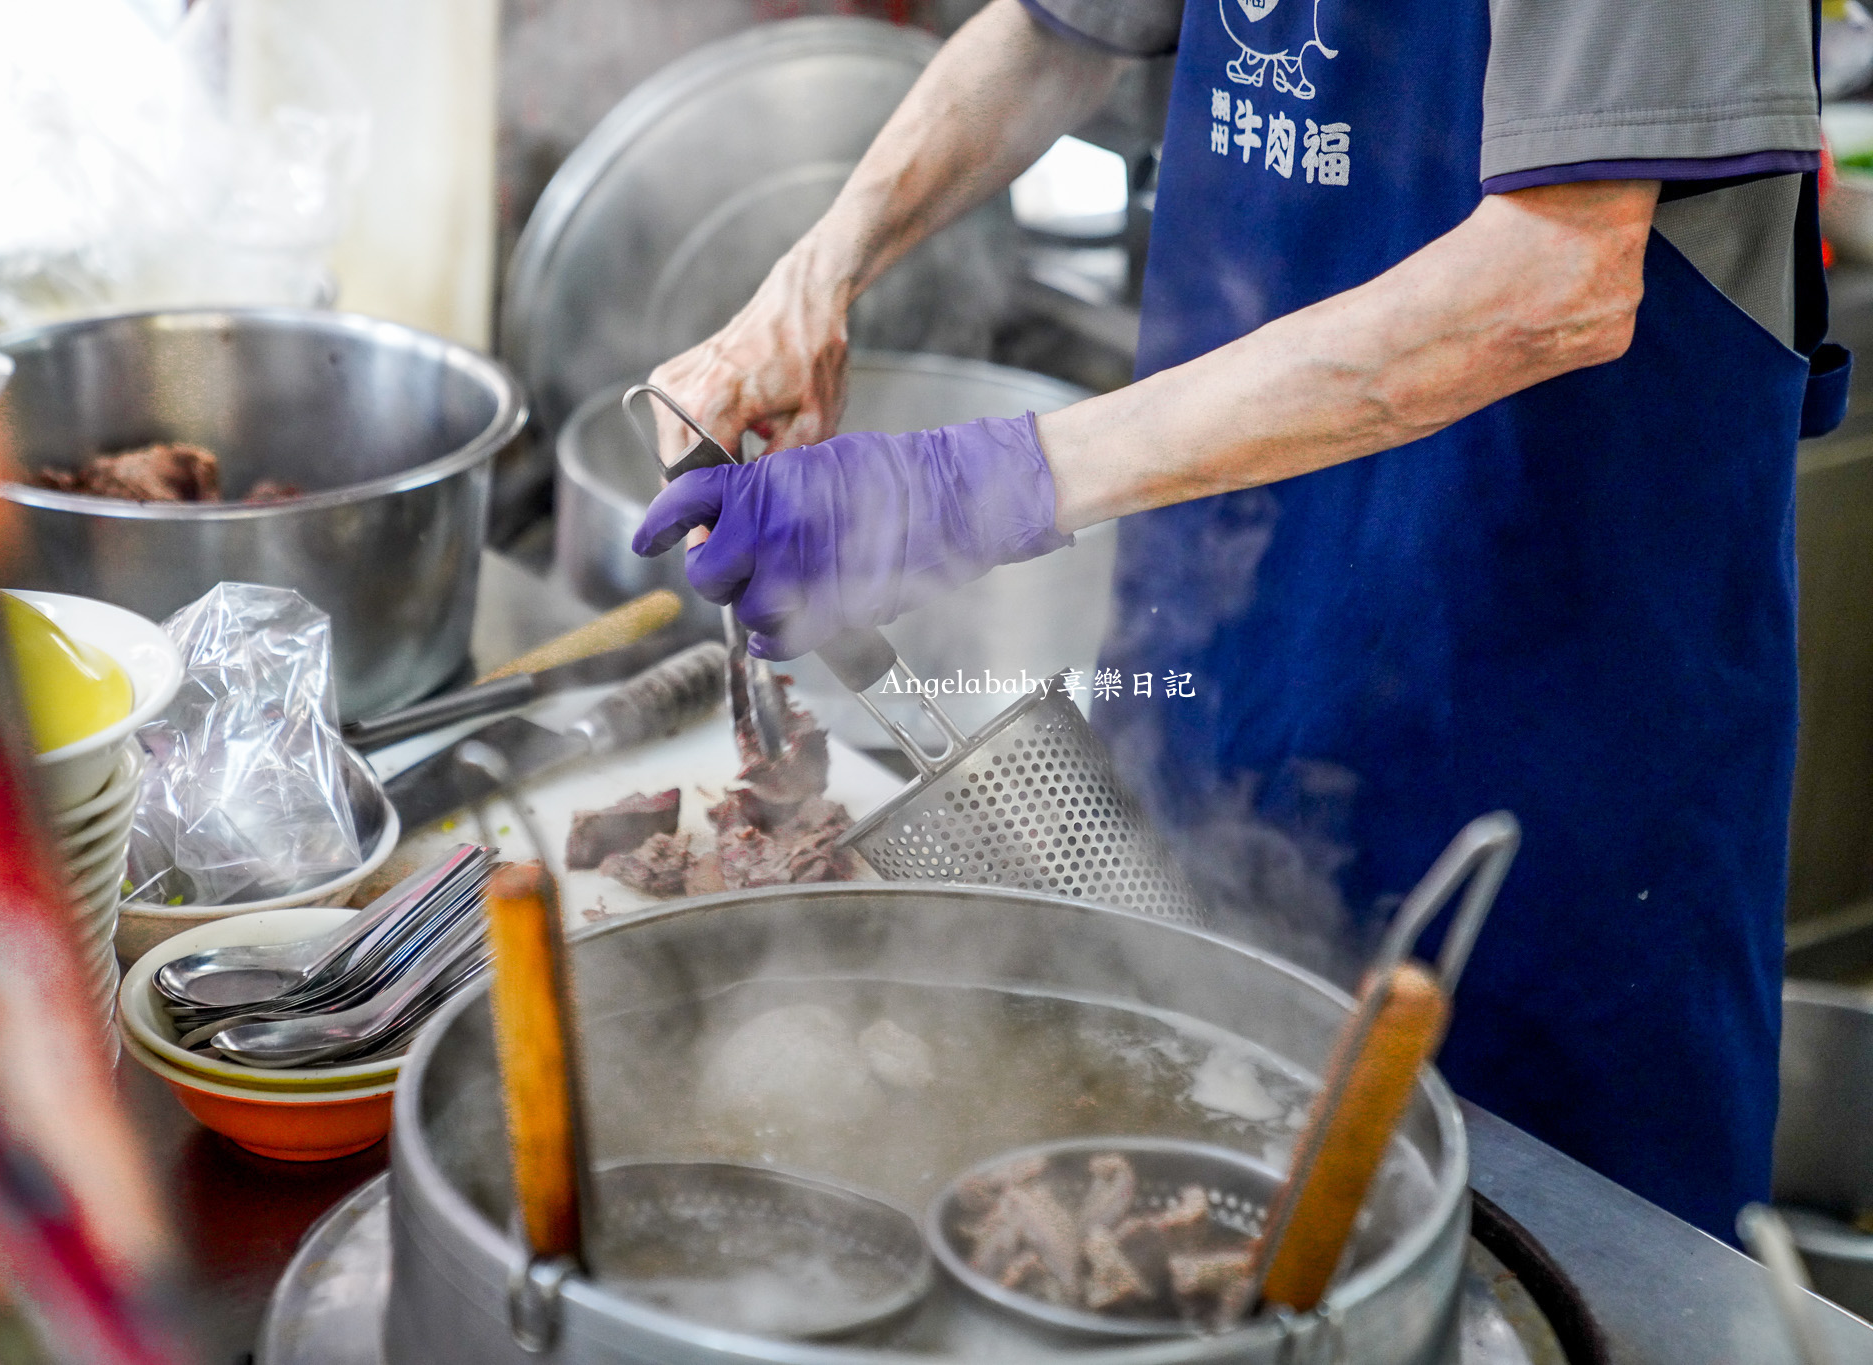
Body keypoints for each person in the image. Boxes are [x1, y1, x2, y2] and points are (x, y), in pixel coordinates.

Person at [632, 0, 1851, 1239]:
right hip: (1222, 655)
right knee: (1158, 1213)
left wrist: (978, 486)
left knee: (1544, 1268)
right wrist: (813, 277)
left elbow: (1558, 279)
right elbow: (1055, 29)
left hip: (1548, 740)